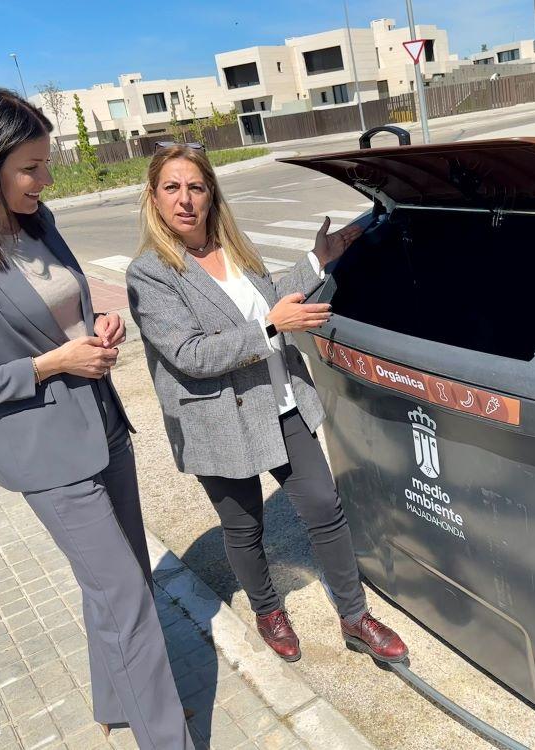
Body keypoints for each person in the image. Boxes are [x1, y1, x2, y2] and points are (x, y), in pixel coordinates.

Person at [0, 88, 194, 749]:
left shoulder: (38, 219)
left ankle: (117, 702)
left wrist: (95, 329)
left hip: (104, 427)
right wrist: (52, 364)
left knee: (123, 582)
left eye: (46, 163)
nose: (46, 179)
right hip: (45, 455)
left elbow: (62, 310)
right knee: (128, 600)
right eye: (30, 168)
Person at [126, 143, 408, 664]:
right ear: (154, 197)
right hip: (217, 418)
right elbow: (190, 352)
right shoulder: (150, 273)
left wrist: (316, 260)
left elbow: (267, 299)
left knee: (325, 507)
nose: (185, 199)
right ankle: (267, 608)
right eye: (172, 188)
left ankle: (354, 616)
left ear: (211, 194)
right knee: (245, 525)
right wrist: (274, 325)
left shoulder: (233, 246)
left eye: (196, 187)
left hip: (280, 401)